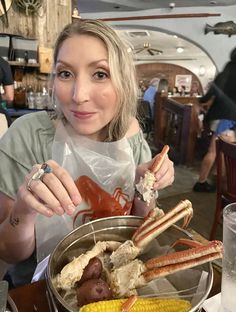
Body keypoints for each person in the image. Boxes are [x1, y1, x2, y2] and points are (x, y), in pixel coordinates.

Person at [0, 19, 174, 287]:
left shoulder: (132, 134)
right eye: (66, 74)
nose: (79, 95)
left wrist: (145, 187)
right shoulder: (27, 135)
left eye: (100, 74)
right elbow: (7, 252)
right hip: (39, 290)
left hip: (115, 286)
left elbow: (141, 233)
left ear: (123, 81)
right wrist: (25, 207)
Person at [193, 48, 236, 192]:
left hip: (218, 116)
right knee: (216, 151)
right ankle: (202, 182)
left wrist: (199, 101)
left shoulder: (225, 72)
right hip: (229, 119)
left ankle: (216, 181)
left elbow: (210, 94)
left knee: (221, 151)